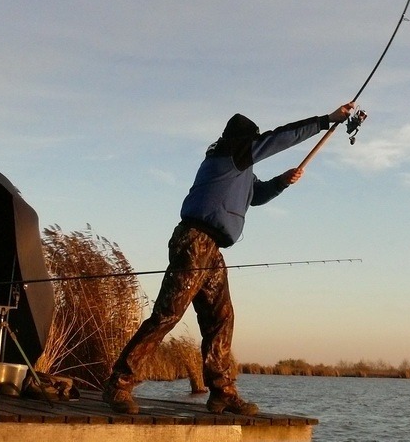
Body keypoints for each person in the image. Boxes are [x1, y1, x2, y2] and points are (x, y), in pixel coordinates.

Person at [103, 102, 355, 416]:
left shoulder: (240, 168)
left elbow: (257, 195)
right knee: (167, 315)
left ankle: (222, 392)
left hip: (212, 249)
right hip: (194, 241)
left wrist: (281, 182)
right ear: (240, 140)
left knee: (221, 319)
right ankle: (119, 382)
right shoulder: (225, 158)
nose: (256, 143)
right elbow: (280, 138)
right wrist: (326, 120)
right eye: (254, 139)